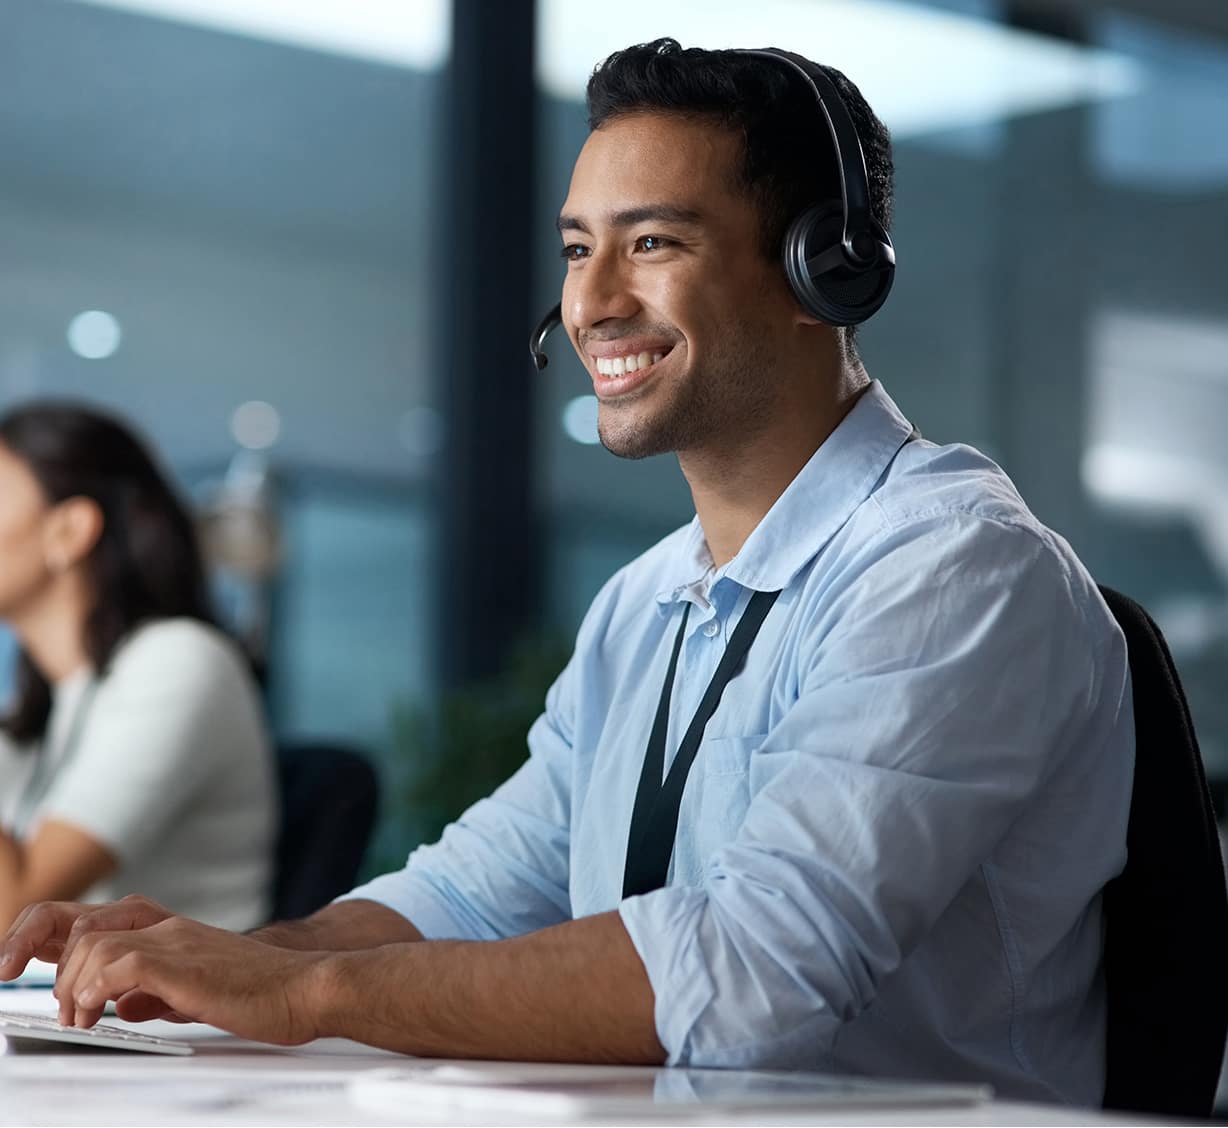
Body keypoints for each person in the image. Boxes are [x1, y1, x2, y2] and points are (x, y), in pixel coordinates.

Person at [0, 41, 1131, 1106]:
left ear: (818, 271)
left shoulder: (953, 569)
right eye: (579, 248)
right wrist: (221, 962)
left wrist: (300, 994)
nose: (590, 307)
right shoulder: (647, 605)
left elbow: (751, 973)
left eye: (653, 243)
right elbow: (469, 893)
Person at [0, 402, 276, 932]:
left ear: (69, 531)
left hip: (164, 1013)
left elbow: (12, 912)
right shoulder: (48, 703)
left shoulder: (180, 663)